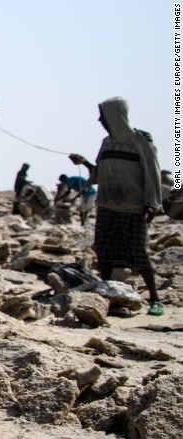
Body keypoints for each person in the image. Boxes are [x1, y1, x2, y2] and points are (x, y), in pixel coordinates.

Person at [69, 96, 163, 316]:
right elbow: (100, 173)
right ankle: (109, 294)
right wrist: (83, 163)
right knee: (104, 251)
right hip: (107, 207)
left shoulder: (141, 142)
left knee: (138, 253)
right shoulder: (106, 143)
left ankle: (155, 299)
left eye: (102, 115)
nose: (100, 120)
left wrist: (152, 203)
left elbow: (153, 173)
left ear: (115, 116)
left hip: (132, 208)